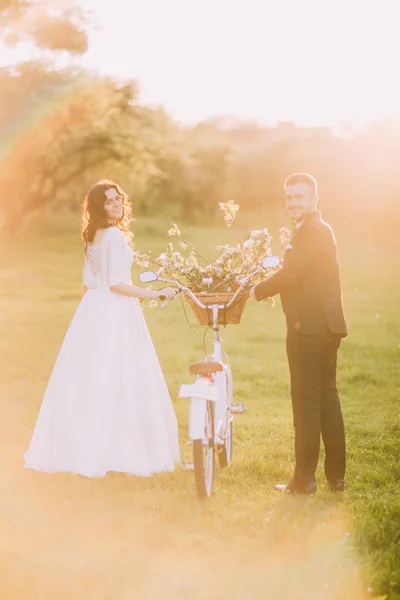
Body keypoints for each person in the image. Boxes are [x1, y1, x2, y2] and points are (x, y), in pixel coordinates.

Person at [24, 179, 181, 478]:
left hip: (92, 310)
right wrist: (154, 293)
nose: (117, 204)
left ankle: (84, 444)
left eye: (118, 198)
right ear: (99, 207)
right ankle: (116, 448)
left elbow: (88, 283)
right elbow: (116, 284)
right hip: (113, 311)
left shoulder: (93, 235)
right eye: (109, 201)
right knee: (118, 376)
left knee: (90, 377)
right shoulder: (113, 236)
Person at [249, 173, 347, 494]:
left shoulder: (312, 231)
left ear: (314, 199)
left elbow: (291, 275)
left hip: (309, 329)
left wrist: (256, 291)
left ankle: (303, 480)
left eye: (299, 197)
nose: (293, 202)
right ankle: (336, 477)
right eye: (289, 197)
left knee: (306, 403)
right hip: (326, 327)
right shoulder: (315, 229)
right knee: (326, 399)